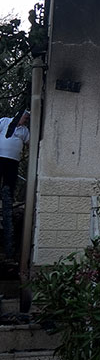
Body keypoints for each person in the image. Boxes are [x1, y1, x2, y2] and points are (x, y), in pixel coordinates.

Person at [0, 110, 30, 258]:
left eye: (27, 118)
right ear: (19, 115)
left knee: (8, 186)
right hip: (0, 158)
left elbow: (30, 143)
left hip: (12, 162)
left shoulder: (24, 131)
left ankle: (7, 199)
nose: (25, 120)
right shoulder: (4, 121)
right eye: (25, 117)